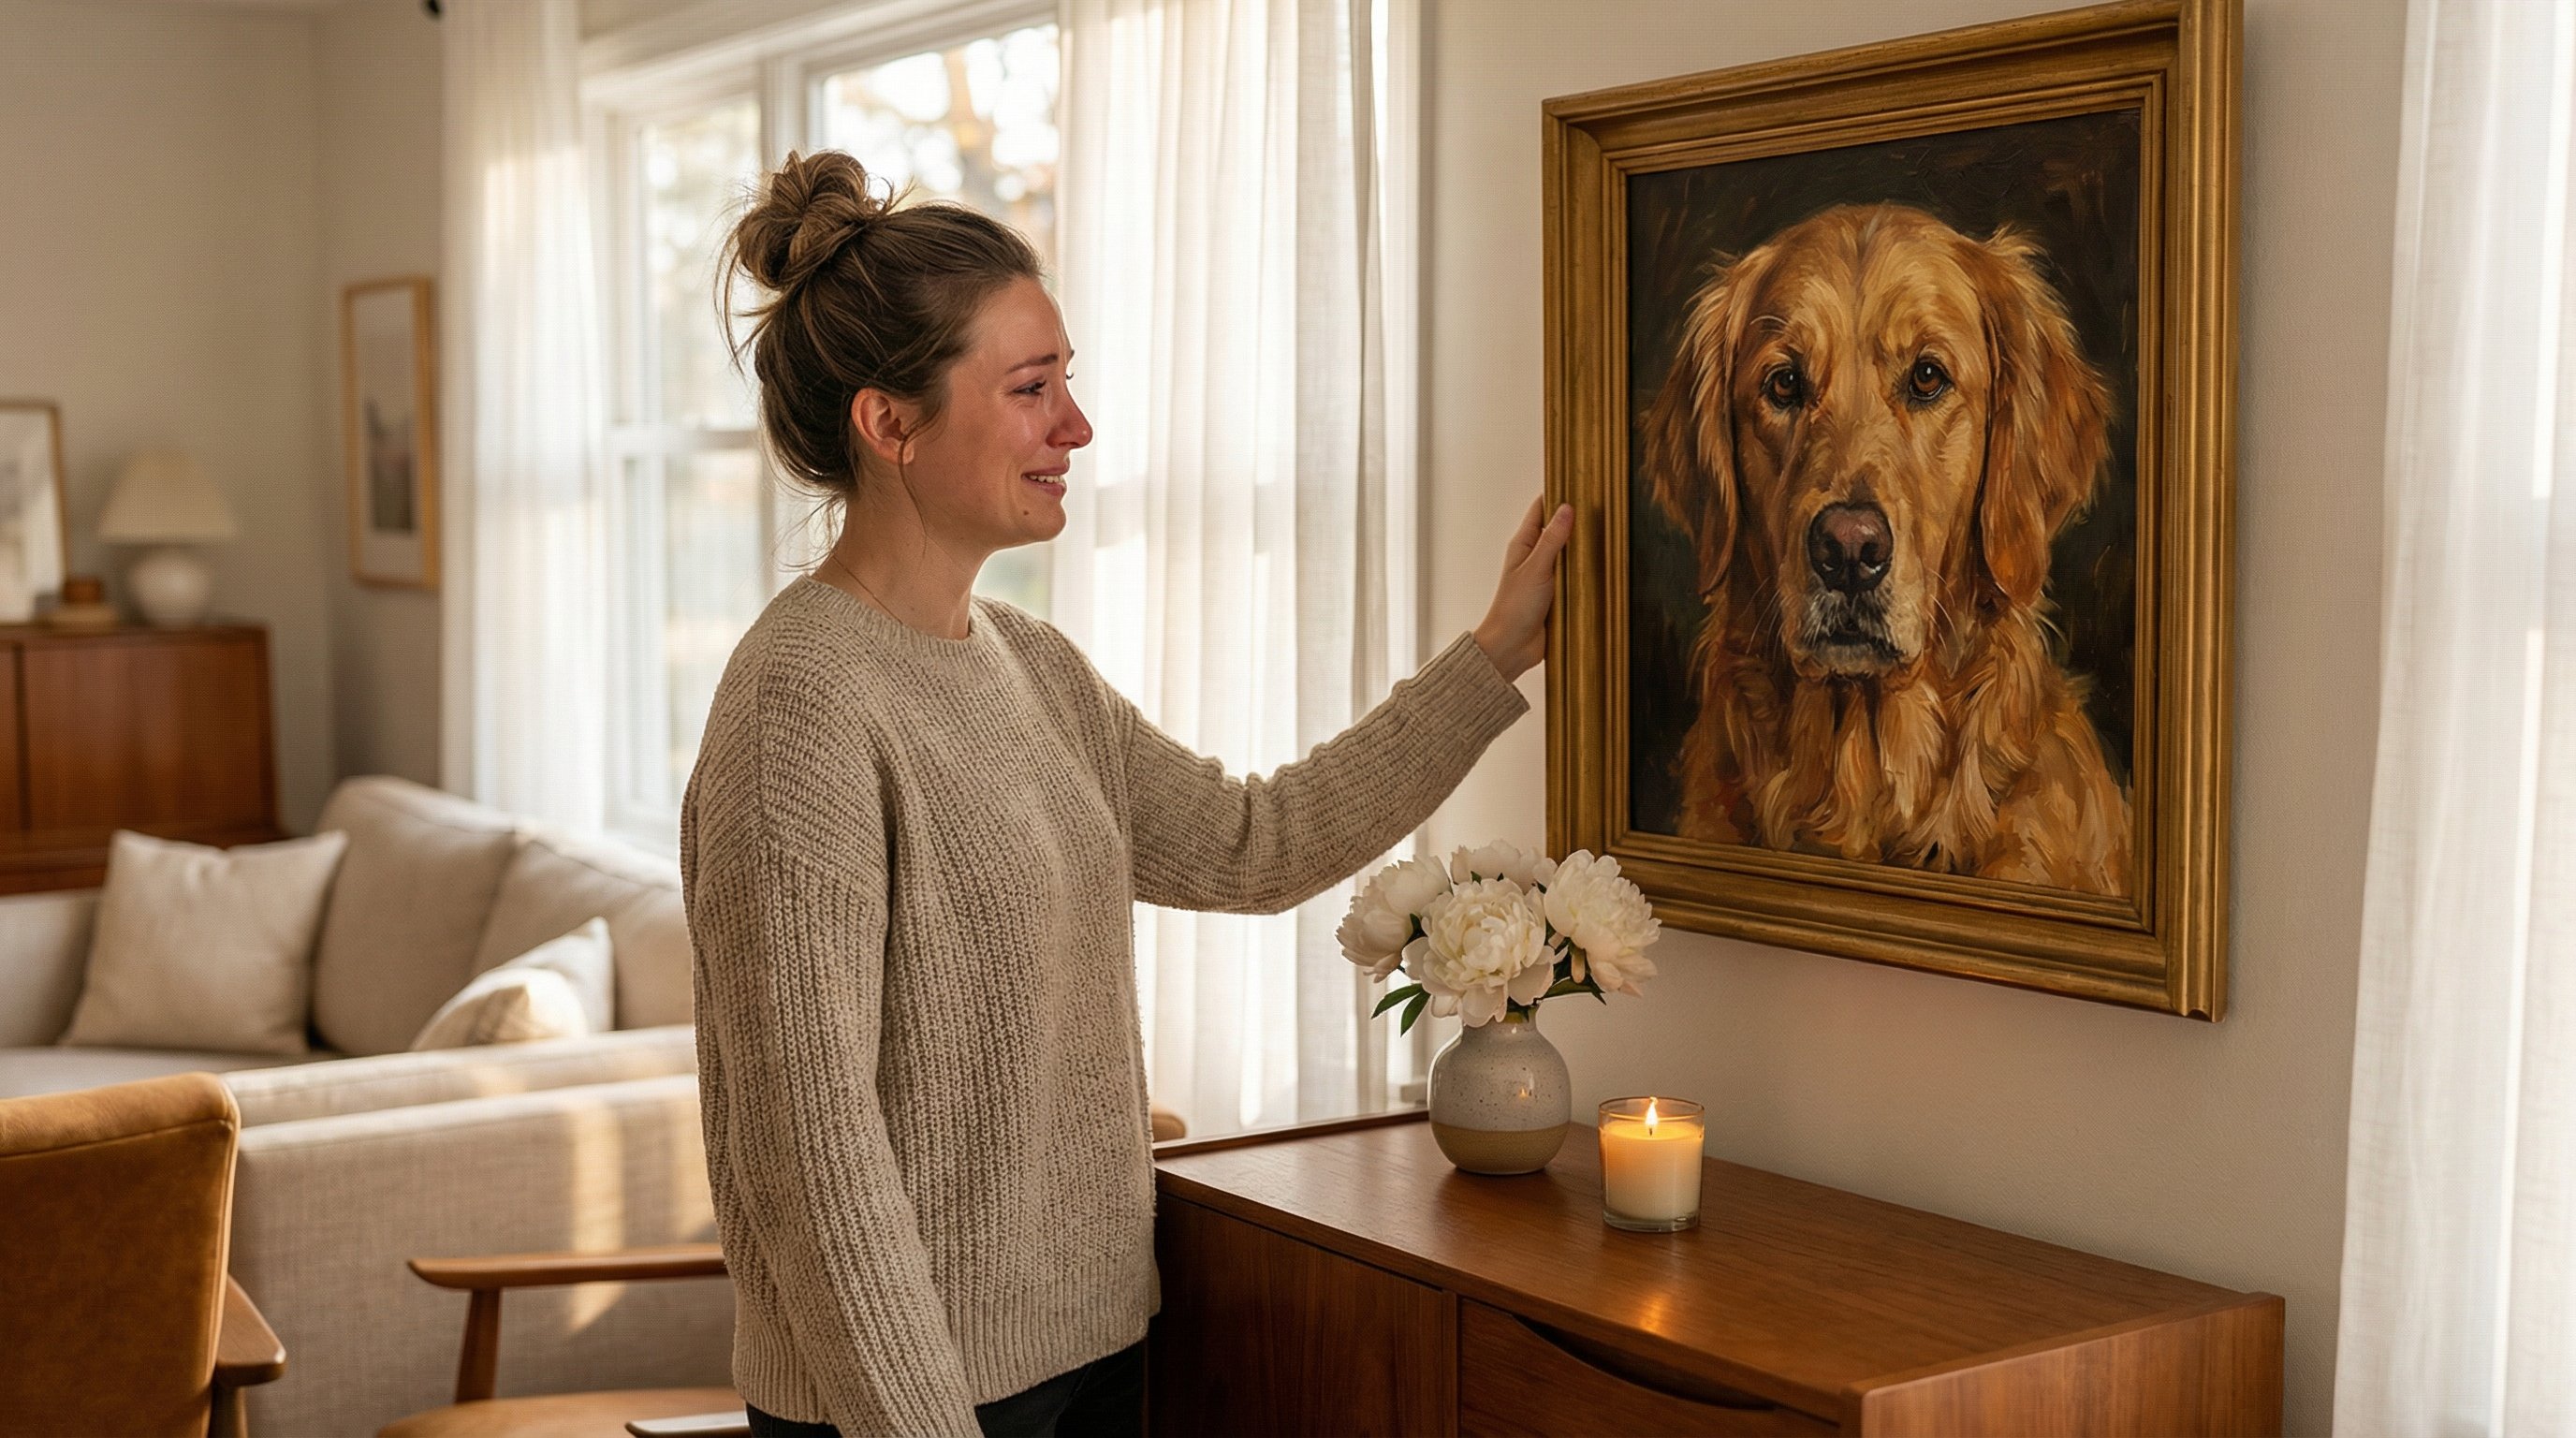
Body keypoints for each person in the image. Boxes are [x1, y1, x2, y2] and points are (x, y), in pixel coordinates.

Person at [681, 149, 1573, 1438]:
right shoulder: (800, 705)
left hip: (1098, 1353)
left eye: (1070, 383)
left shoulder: (1032, 667)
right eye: (1032, 389)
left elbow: (1257, 843)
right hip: (911, 1409)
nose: (1077, 428)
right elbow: (809, 1161)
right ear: (891, 424)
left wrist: (1494, 655)